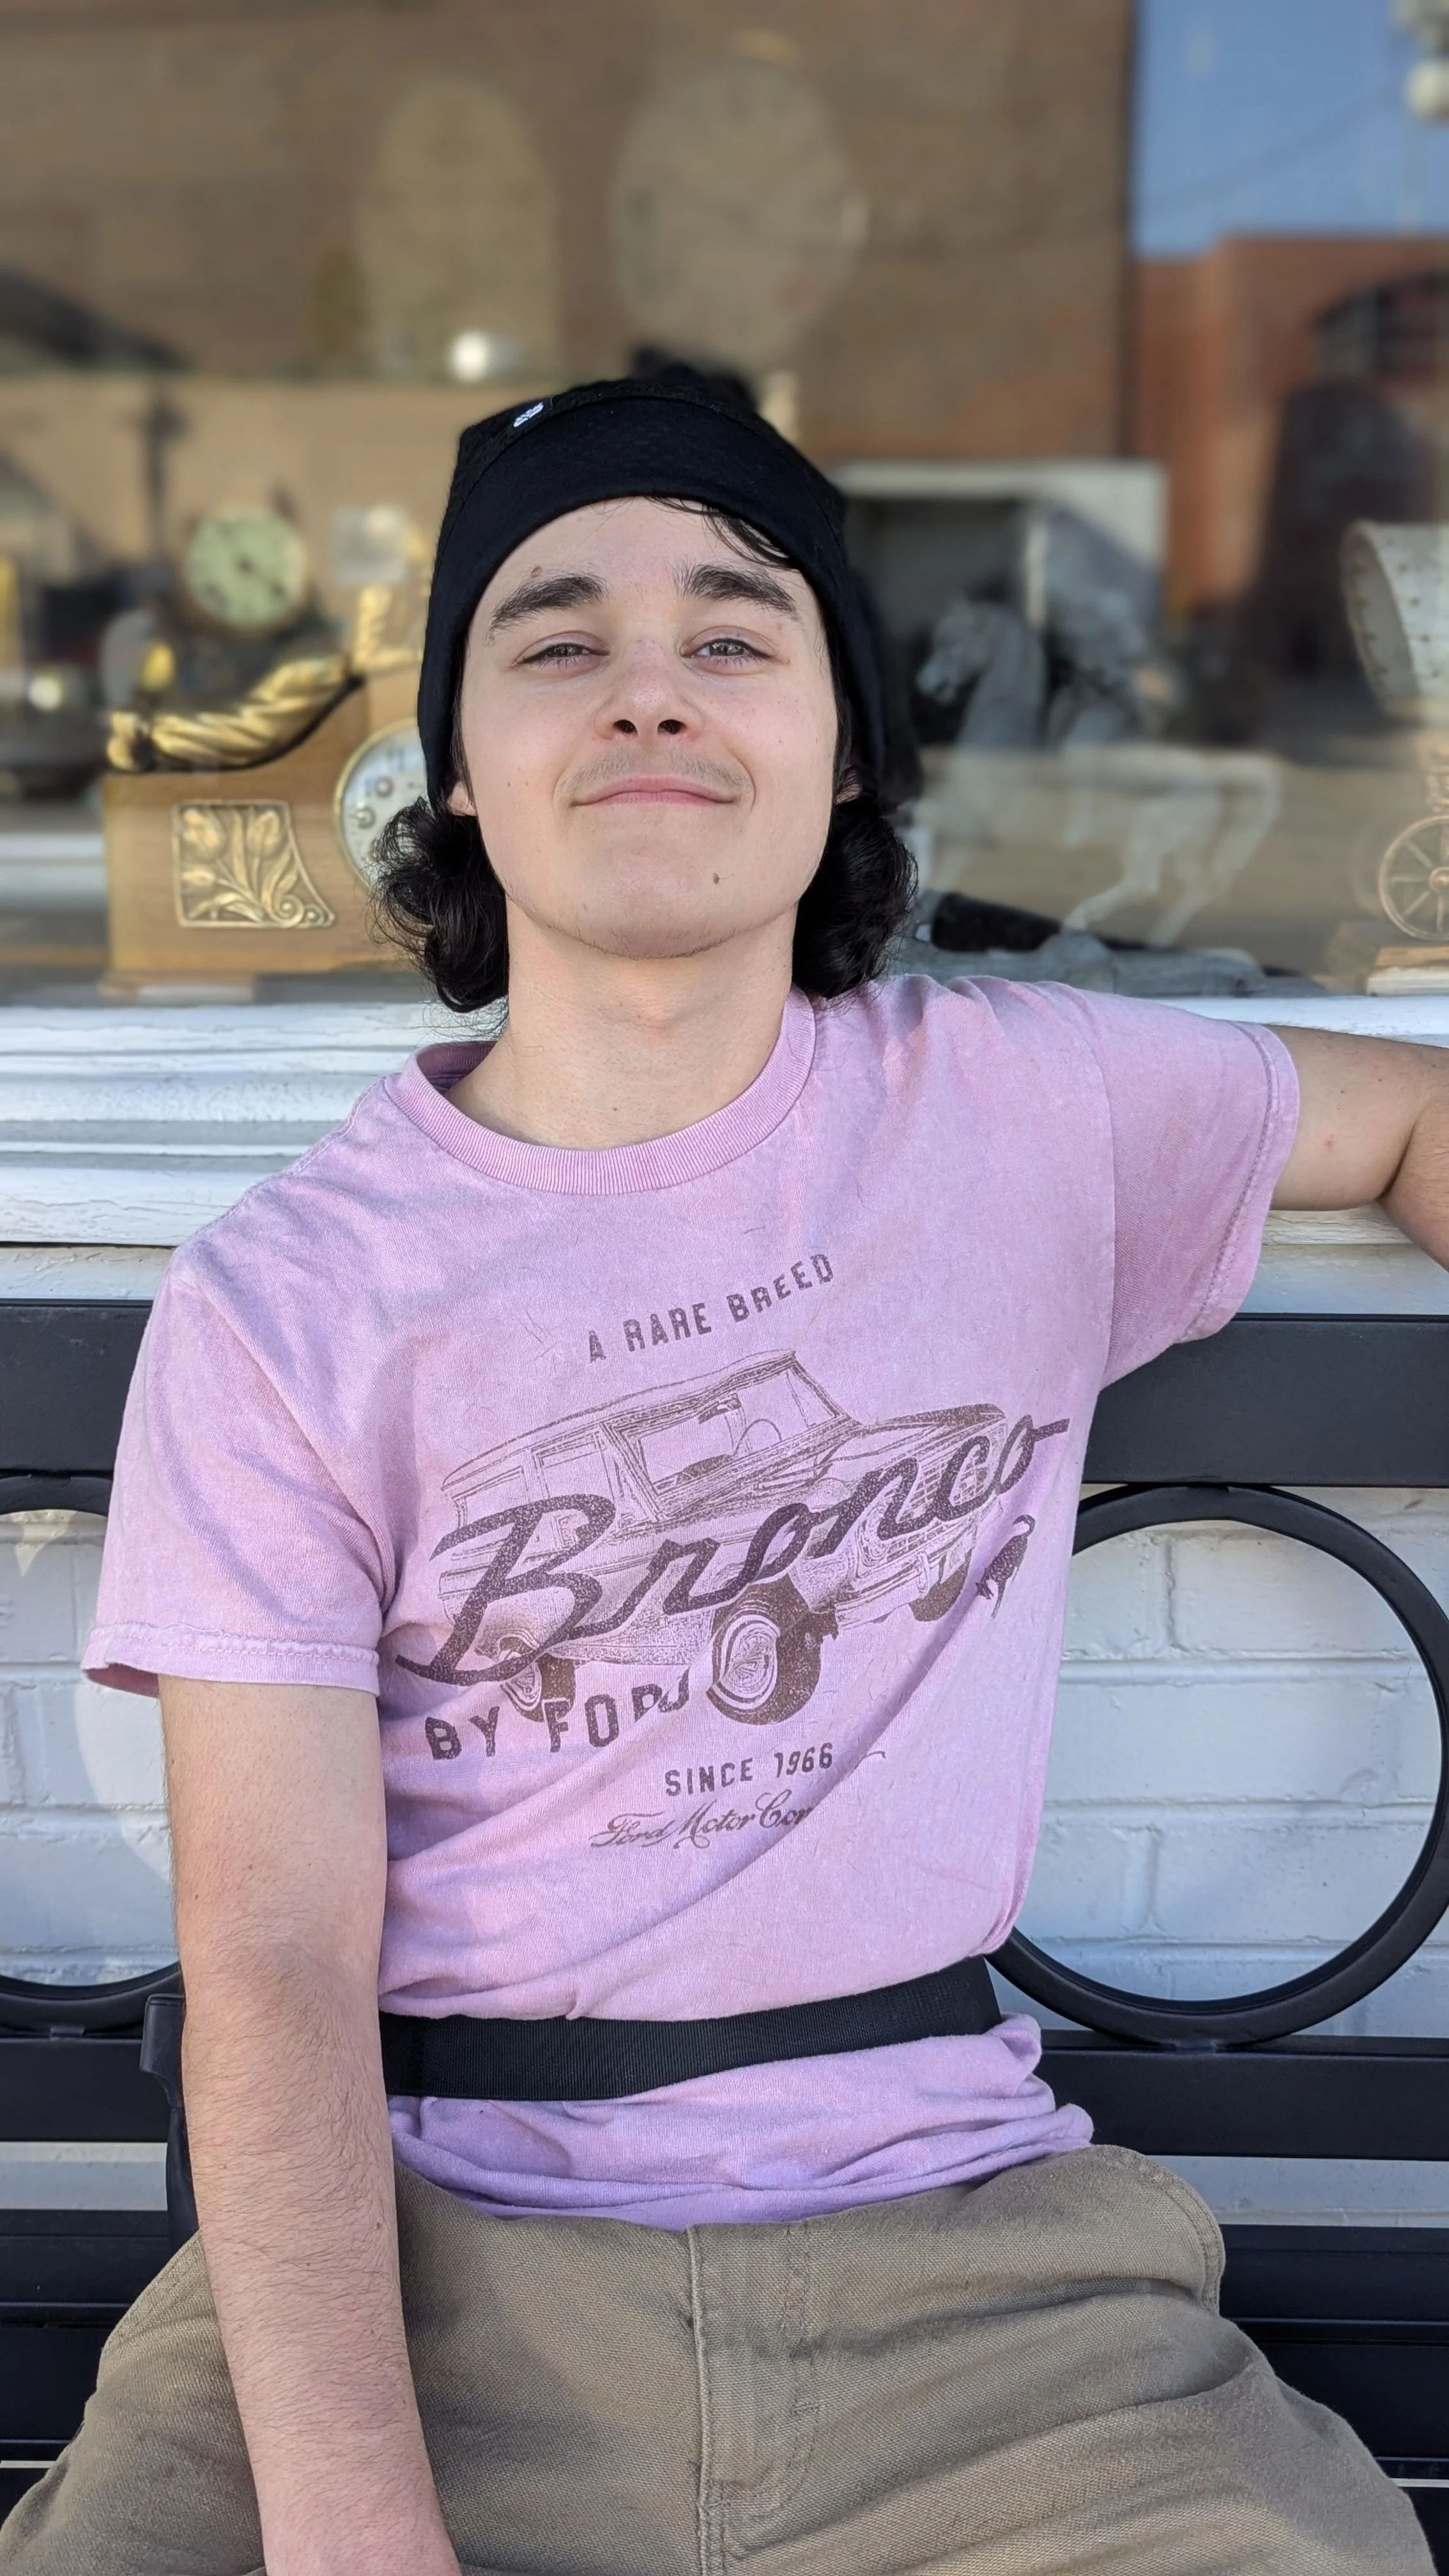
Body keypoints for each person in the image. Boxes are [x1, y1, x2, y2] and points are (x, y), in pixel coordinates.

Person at [1, 372, 1439, 2576]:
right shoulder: (289, 1295)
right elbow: (276, 1955)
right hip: (426, 2260)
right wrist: (360, 2537)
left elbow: (1411, 1112)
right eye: (556, 639)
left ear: (841, 744)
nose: (649, 691)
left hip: (978, 2296)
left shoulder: (1021, 1115)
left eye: (736, 634)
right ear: (459, 770)